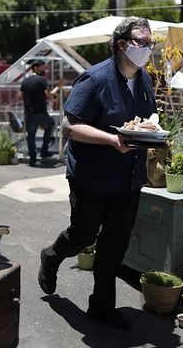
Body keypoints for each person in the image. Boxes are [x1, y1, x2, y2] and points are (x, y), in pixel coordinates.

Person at [38, 17, 156, 330]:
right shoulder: (94, 78)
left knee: (115, 244)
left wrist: (153, 130)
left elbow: (147, 118)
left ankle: (102, 307)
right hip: (92, 176)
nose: (148, 47)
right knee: (84, 235)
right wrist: (111, 139)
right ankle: (52, 255)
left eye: (150, 42)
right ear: (122, 44)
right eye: (142, 42)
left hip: (128, 178)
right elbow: (70, 125)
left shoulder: (144, 80)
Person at [20, 60, 58, 167]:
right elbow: (48, 96)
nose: (44, 70)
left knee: (31, 136)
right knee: (49, 127)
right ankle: (44, 151)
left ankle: (33, 159)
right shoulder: (42, 80)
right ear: (35, 68)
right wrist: (58, 87)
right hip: (41, 112)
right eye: (42, 67)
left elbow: (20, 96)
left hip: (29, 114)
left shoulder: (25, 81)